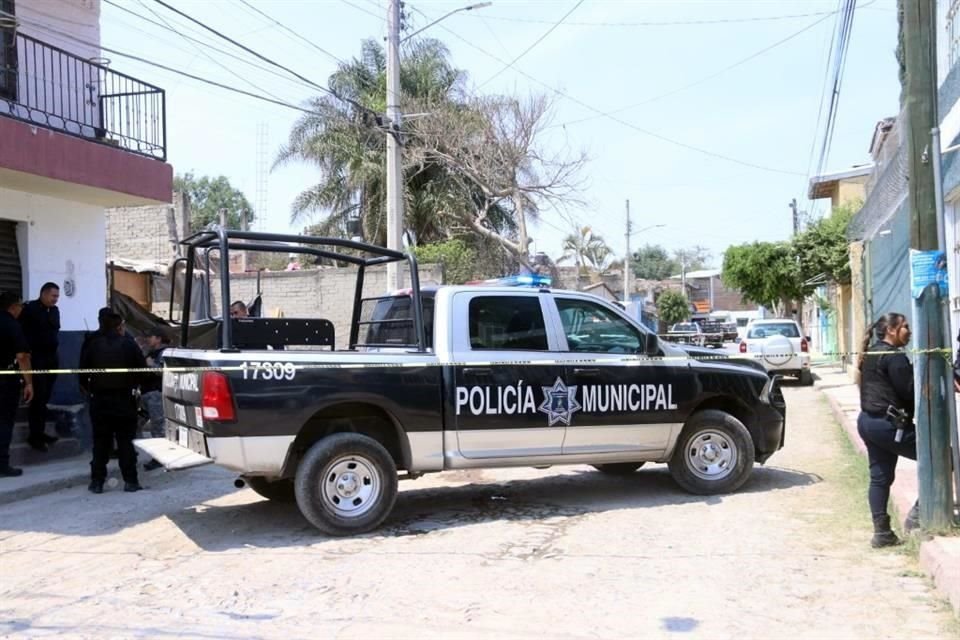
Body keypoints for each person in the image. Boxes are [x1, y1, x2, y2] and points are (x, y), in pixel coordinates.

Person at [856, 312, 918, 548]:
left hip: (868, 422)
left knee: (880, 478)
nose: (909, 331)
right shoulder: (894, 357)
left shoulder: (871, 352)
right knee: (941, 458)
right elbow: (910, 392)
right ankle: (920, 514)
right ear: (891, 330)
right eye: (905, 326)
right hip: (888, 426)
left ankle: (882, 533)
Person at [79, 311, 149, 493]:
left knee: (100, 442)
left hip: (99, 401)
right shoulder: (128, 343)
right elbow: (142, 369)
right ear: (119, 326)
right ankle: (131, 481)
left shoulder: (91, 343)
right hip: (124, 400)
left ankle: (97, 482)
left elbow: (82, 373)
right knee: (125, 442)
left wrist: (89, 390)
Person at [18, 282, 60, 452]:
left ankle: (40, 432)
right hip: (36, 359)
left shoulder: (55, 311)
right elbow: (19, 333)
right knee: (38, 398)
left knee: (45, 397)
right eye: (53, 296)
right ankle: (35, 436)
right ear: (43, 294)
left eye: (57, 296)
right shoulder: (29, 309)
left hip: (51, 358)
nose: (56, 300)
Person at [0, 292, 33, 477]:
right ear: (13, 307)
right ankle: (2, 464)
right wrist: (29, 383)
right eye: (20, 305)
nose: (21, 309)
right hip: (5, 380)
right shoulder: (12, 325)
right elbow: (22, 356)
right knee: (4, 421)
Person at [140, 327, 170, 471]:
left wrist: (151, 365)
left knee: (158, 428)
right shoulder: (152, 352)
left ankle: (160, 458)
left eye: (150, 336)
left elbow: (163, 372)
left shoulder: (164, 353)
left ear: (158, 338)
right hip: (148, 393)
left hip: (156, 394)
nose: (147, 339)